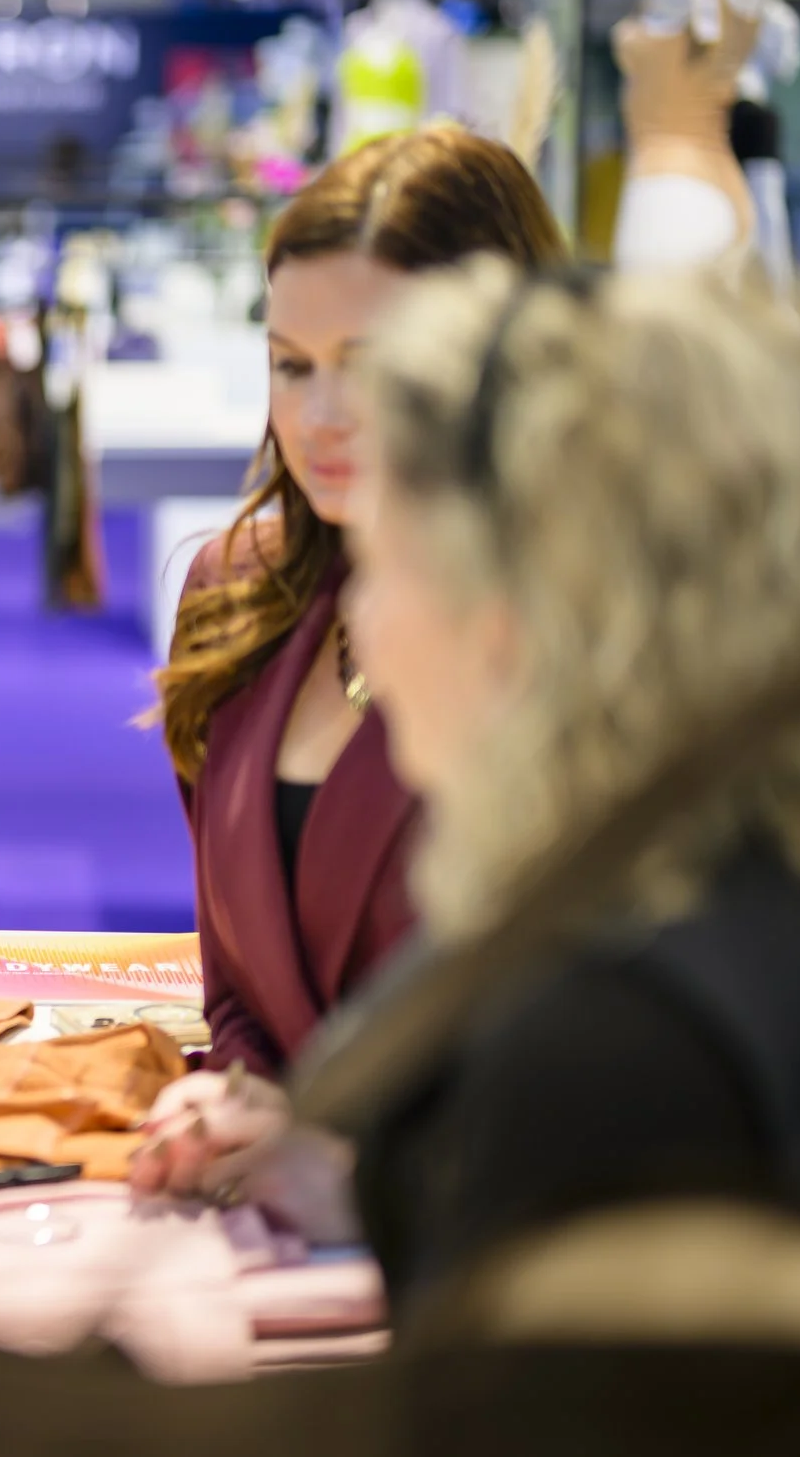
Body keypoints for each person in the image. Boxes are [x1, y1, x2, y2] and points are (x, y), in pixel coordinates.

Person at [135, 263, 800, 1315]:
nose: (360, 622)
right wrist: (363, 1182)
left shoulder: (605, 1037)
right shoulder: (722, 890)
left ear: (512, 616)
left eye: (382, 560)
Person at [148, 129, 566, 1088]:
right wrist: (245, 1097)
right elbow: (243, 980)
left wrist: (350, 1169)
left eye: (372, 364)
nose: (322, 414)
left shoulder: (594, 629)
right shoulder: (235, 595)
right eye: (292, 364)